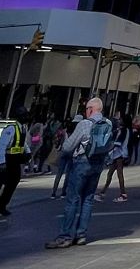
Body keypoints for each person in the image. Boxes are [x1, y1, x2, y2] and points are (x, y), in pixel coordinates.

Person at [46, 97, 112, 249]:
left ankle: (65, 236)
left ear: (90, 109)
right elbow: (109, 145)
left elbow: (69, 147)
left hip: (82, 162)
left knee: (73, 198)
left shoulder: (85, 124)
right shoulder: (108, 123)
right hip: (98, 163)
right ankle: (81, 234)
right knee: (88, 199)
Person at [97, 115, 133, 202]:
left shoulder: (123, 131)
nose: (119, 120)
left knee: (118, 174)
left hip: (119, 154)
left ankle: (123, 194)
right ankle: (102, 192)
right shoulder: (126, 130)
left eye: (121, 119)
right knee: (111, 174)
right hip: (119, 154)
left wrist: (106, 151)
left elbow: (117, 143)